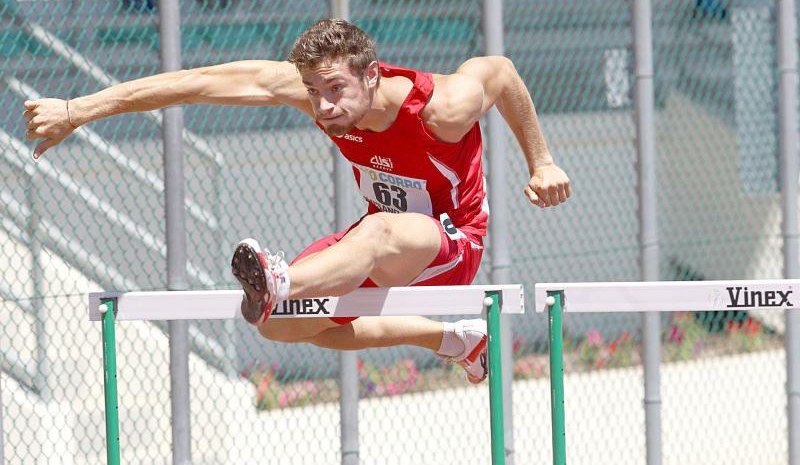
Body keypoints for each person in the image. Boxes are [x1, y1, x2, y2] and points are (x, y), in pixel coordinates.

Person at [22, 19, 570, 383]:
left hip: (452, 243)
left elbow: (501, 71)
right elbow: (196, 82)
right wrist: (79, 110)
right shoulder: (314, 95)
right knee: (278, 324)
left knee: (375, 236)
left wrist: (541, 161)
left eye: (336, 90)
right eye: (314, 92)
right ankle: (452, 339)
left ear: (372, 74)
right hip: (379, 240)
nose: (325, 107)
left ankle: (280, 280)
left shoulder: (442, 108)